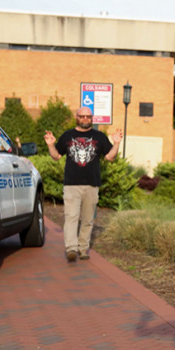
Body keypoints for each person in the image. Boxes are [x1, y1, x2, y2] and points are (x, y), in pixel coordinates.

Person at [44, 108, 121, 262]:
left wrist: (117, 143)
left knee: (87, 219)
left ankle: (83, 248)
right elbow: (56, 156)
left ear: (92, 118)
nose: (85, 119)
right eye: (82, 116)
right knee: (71, 216)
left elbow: (110, 157)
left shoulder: (99, 136)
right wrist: (51, 145)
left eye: (88, 116)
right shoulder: (67, 135)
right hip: (71, 184)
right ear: (77, 117)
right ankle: (71, 248)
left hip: (92, 184)